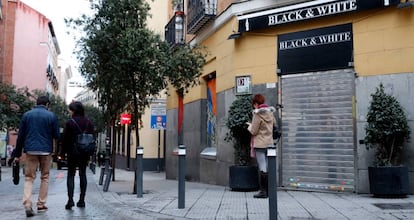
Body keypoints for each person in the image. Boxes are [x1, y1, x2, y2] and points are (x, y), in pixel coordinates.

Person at [14, 96, 60, 217]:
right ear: (47, 104)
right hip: (46, 151)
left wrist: (17, 154)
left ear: (37, 103)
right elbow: (56, 135)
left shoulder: (27, 115)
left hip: (30, 150)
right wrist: (57, 153)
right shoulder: (51, 116)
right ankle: (41, 204)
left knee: (29, 177)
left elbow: (21, 136)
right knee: (44, 177)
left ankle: (27, 204)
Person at [60, 101, 95, 210]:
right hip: (85, 152)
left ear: (74, 110)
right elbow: (92, 136)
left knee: (71, 175)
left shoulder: (70, 122)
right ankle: (82, 200)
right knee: (82, 174)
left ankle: (70, 200)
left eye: (70, 110)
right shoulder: (89, 122)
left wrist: (62, 153)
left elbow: (65, 139)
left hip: (73, 152)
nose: (69, 112)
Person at [246, 94, 276, 199]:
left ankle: (263, 191)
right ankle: (270, 190)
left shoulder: (257, 114)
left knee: (262, 166)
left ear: (255, 103)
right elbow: (274, 126)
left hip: (260, 144)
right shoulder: (271, 112)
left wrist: (249, 127)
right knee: (268, 166)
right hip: (269, 143)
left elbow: (254, 131)